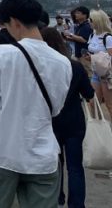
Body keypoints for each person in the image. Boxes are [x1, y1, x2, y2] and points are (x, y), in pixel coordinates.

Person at [0, 0, 71, 208]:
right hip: (43, 154)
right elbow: (56, 110)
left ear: (15, 22)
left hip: (3, 151)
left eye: (6, 25)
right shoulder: (63, 62)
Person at [42, 26, 92, 208]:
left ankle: (57, 198)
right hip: (74, 121)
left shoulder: (42, 67)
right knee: (75, 167)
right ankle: (77, 204)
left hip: (51, 121)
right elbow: (89, 93)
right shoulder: (75, 66)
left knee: (55, 165)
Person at [83, 8, 112, 118]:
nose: (89, 22)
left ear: (98, 21)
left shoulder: (108, 37)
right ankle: (98, 125)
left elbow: (110, 57)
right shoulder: (92, 35)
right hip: (95, 72)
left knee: (109, 105)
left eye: (91, 20)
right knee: (93, 102)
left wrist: (94, 58)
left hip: (107, 74)